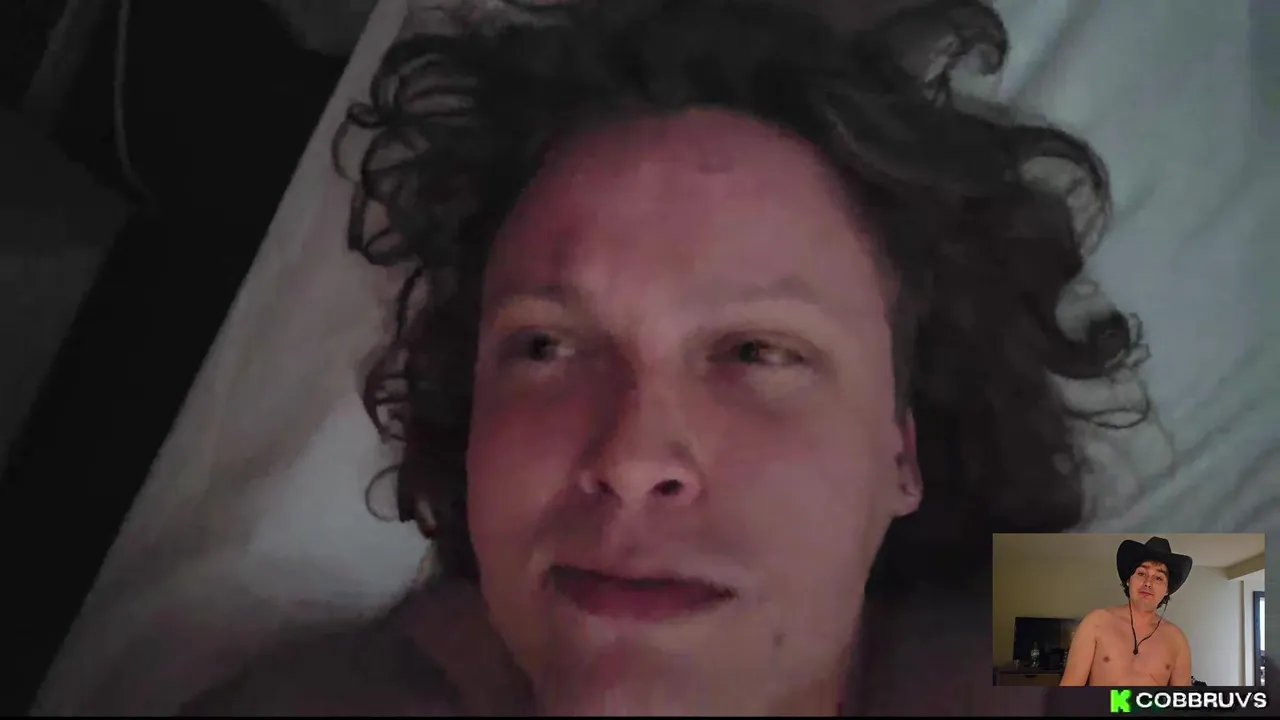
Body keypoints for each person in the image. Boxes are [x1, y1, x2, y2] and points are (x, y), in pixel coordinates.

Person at [185, 0, 1147, 714]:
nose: (632, 457)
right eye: (545, 346)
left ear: (901, 451)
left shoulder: (1075, 625)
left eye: (756, 351)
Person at [1059, 537, 1194, 687]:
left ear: (1167, 589)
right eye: (1141, 574)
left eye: (1158, 578)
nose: (1148, 583)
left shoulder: (1177, 640)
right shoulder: (1096, 623)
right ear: (1129, 580)